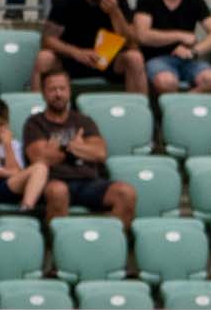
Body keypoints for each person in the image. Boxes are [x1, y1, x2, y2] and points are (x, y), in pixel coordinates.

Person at [24, 64, 139, 222]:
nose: (58, 94)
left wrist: (64, 148)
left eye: (62, 89)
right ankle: (57, 244)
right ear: (43, 94)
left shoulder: (83, 120)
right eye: (52, 89)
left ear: (69, 91)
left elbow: (100, 153)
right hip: (54, 180)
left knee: (127, 193)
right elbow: (39, 158)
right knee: (58, 191)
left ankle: (109, 242)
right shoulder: (35, 123)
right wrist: (80, 148)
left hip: (89, 182)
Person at [33, 0, 148, 94]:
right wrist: (76, 53)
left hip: (107, 61)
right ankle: (37, 111)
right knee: (44, 58)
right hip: (72, 60)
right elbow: (47, 40)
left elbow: (132, 44)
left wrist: (115, 13)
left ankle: (137, 111)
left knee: (135, 58)